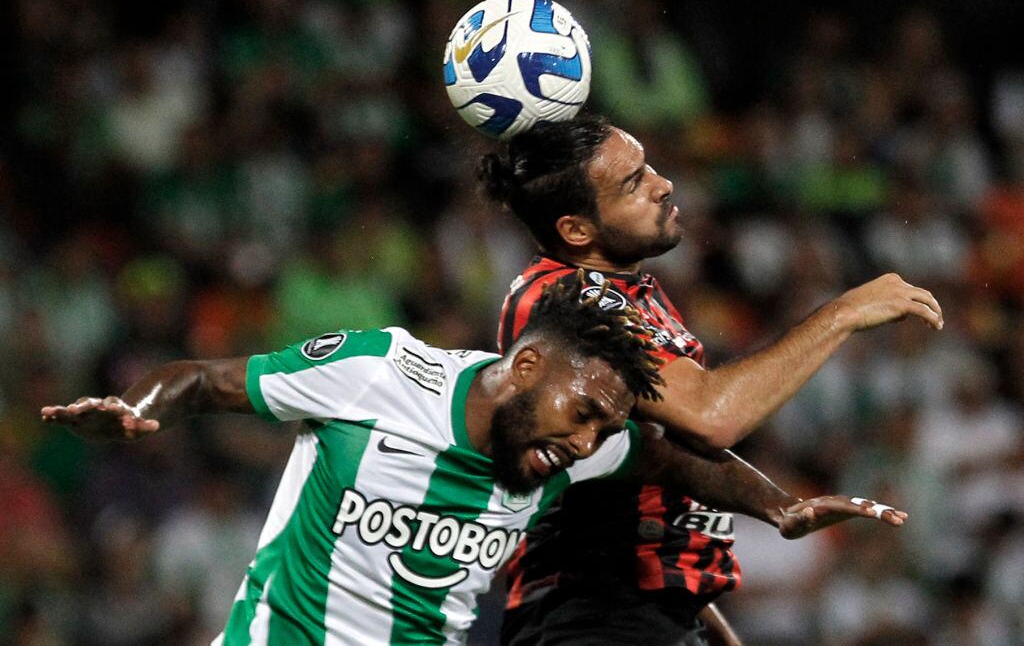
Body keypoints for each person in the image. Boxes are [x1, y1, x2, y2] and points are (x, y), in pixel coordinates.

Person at [41, 278, 905, 646]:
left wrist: (780, 509)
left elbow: (677, 459)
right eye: (583, 415)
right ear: (525, 365)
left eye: (602, 429)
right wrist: (135, 413)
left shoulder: (575, 450)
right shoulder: (380, 369)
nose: (584, 441)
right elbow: (200, 379)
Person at [478, 115, 943, 646]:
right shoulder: (568, 300)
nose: (663, 183)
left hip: (644, 609)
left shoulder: (627, 293)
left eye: (646, 165)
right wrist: (842, 313)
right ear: (576, 230)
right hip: (592, 611)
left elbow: (654, 454)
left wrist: (765, 518)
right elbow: (712, 416)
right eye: (633, 182)